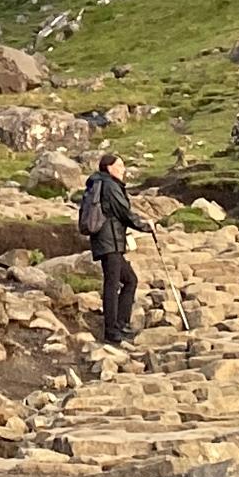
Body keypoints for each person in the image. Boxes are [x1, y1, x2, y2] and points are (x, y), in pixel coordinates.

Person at [76, 146, 151, 343]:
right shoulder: (109, 185)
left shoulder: (101, 183)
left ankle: (120, 324)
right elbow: (123, 212)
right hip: (109, 241)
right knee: (112, 284)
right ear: (109, 168)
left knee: (129, 280)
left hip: (109, 241)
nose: (123, 169)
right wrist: (144, 226)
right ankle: (112, 330)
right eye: (120, 166)